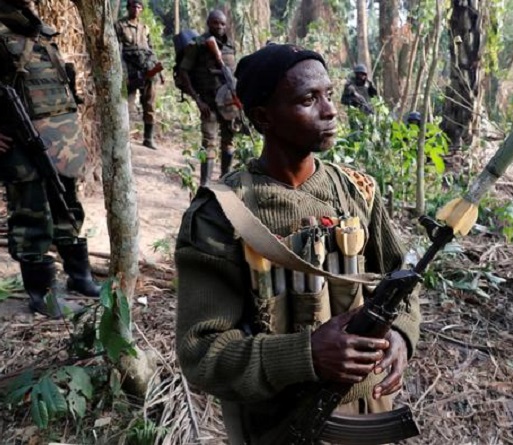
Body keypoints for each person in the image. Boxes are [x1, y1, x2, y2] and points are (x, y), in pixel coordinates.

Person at [175, 44, 421, 443]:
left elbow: (402, 279)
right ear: (263, 117)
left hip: (367, 411)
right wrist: (305, 354)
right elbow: (201, 352)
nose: (330, 110)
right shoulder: (220, 213)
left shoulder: (356, 191)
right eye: (308, 99)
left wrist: (402, 335)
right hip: (279, 423)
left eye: (328, 94)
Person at [0, 0, 101, 318]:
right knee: (31, 217)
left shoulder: (36, 28)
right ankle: (42, 294)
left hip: (62, 141)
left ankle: (80, 276)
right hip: (19, 140)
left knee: (67, 206)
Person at [178, 9, 237, 184]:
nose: (219, 26)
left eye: (222, 23)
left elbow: (233, 74)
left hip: (229, 103)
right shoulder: (197, 45)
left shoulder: (230, 46)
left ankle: (225, 179)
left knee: (229, 142)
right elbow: (183, 71)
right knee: (209, 143)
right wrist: (198, 100)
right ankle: (205, 184)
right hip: (208, 103)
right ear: (208, 23)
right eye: (215, 22)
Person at [116, 0, 164, 150]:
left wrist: (159, 71)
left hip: (148, 69)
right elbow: (116, 51)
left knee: (149, 104)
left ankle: (148, 138)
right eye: (133, 6)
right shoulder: (119, 26)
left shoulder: (145, 28)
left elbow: (151, 49)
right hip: (129, 70)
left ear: (141, 9)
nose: (136, 9)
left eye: (138, 7)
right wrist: (122, 73)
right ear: (128, 8)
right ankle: (123, 139)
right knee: (126, 105)